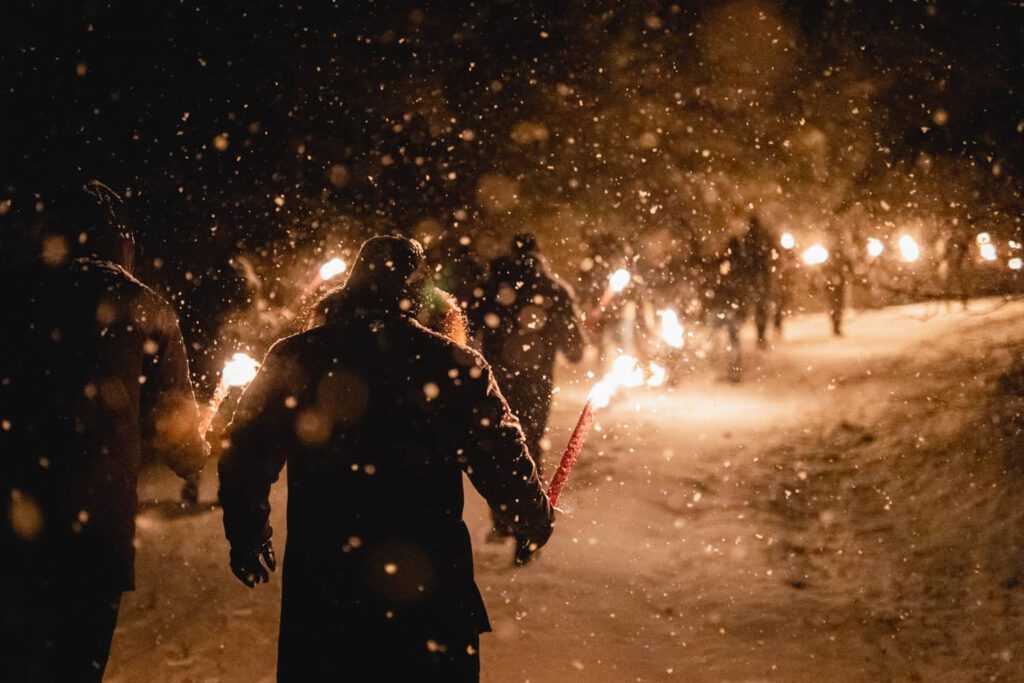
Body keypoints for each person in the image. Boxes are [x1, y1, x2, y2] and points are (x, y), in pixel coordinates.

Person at [218, 235, 554, 682]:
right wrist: (532, 513)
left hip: (326, 577)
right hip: (426, 579)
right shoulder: (451, 364)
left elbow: (245, 450)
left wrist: (246, 530)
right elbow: (499, 454)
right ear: (413, 294)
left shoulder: (298, 356)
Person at [0, 179, 207, 682]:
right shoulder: (146, 307)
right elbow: (179, 442)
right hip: (94, 536)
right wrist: (203, 445)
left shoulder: (12, 295)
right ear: (120, 237)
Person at [471, 233, 585, 554]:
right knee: (528, 447)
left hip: (496, 382)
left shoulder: (492, 286)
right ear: (538, 254)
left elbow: (465, 329)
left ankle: (503, 518)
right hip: (536, 384)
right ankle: (527, 526)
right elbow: (575, 349)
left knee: (496, 445)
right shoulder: (553, 290)